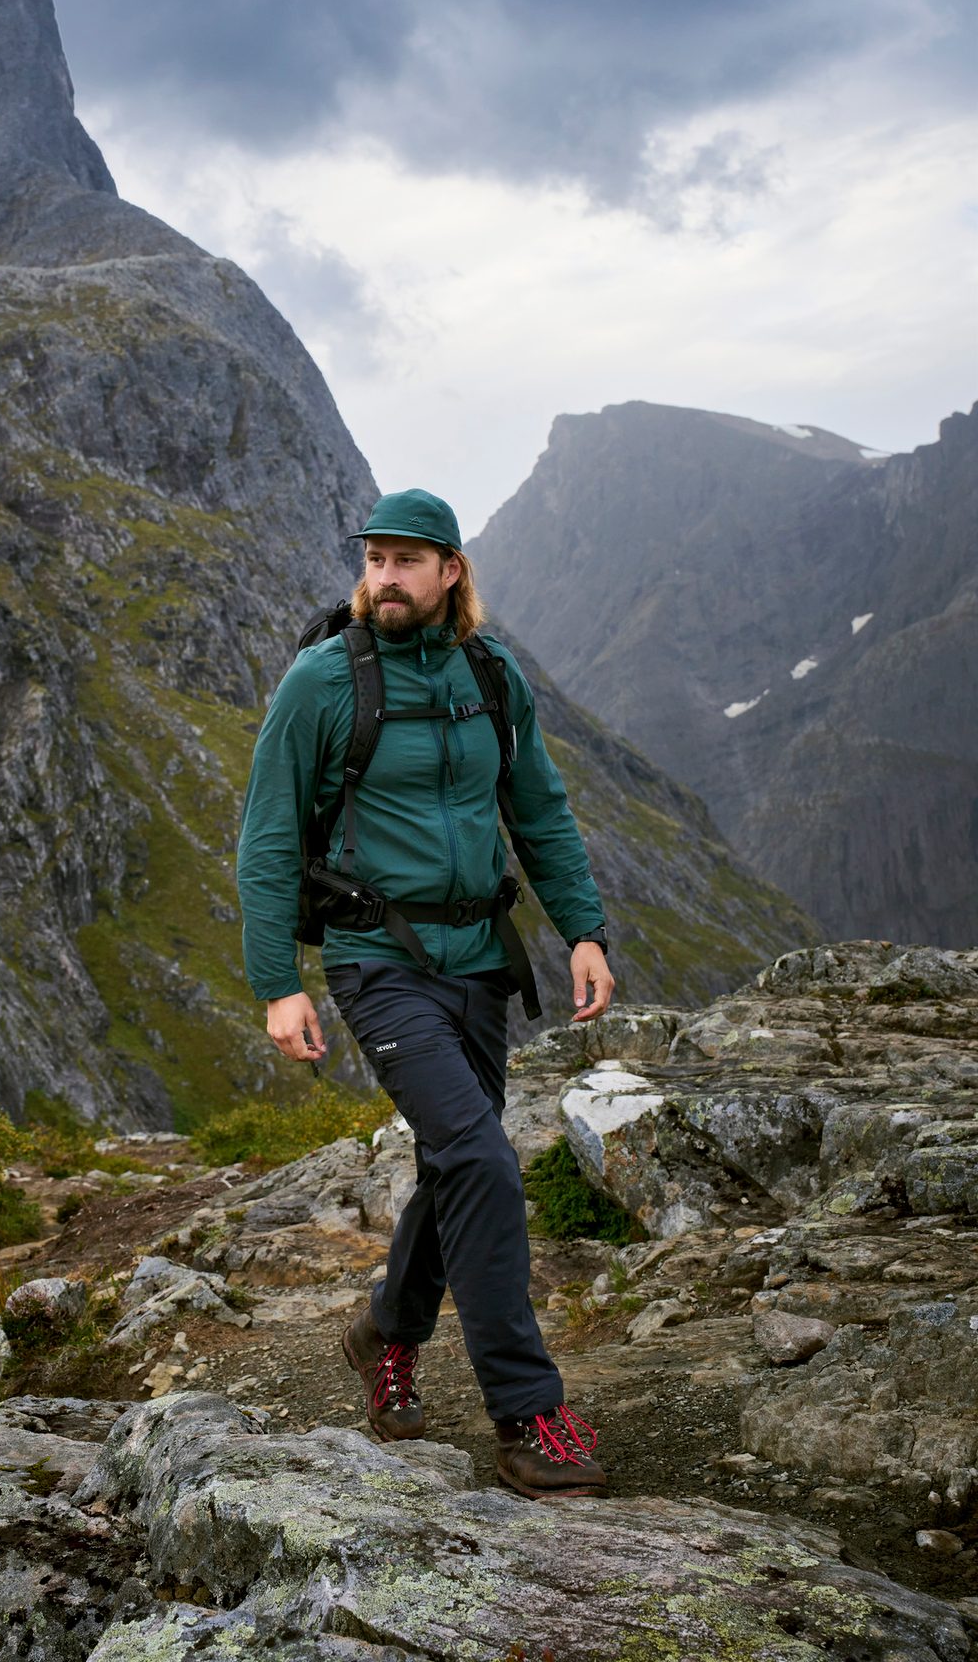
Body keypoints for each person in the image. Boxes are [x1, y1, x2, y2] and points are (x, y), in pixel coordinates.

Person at [237, 488, 614, 1500]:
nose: (384, 578)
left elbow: (536, 805)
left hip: (479, 958)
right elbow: (268, 835)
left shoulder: (489, 675)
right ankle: (528, 1413)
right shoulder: (323, 681)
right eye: (373, 559)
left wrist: (581, 927)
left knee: (459, 1168)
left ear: (452, 572)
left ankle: (383, 1333)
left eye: (407, 560)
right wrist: (278, 983)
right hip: (377, 959)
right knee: (481, 1157)